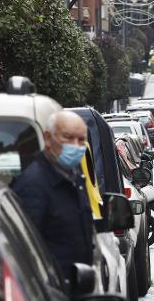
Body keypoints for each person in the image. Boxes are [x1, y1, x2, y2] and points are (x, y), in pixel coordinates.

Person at [11, 110, 93, 286]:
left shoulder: (73, 177)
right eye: (68, 137)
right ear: (48, 138)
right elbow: (26, 250)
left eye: (81, 140)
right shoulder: (33, 184)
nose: (76, 146)